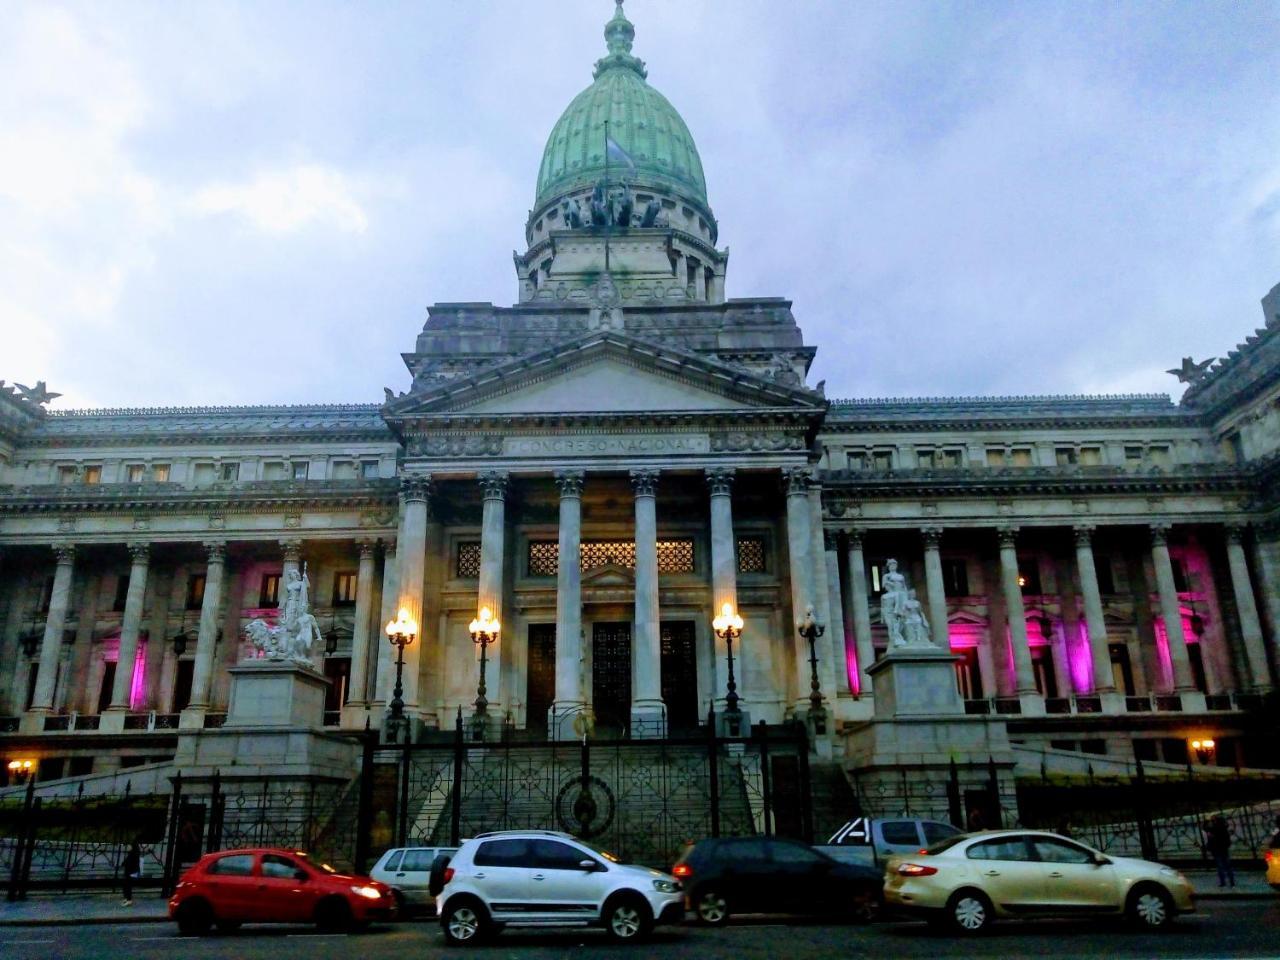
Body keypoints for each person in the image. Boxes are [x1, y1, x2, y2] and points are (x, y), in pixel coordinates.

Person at [1204, 814, 1234, 888]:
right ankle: (1232, 882)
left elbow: (1205, 827)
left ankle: (1223, 882)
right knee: (1228, 865)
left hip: (1216, 849)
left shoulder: (1212, 829)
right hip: (1224, 848)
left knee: (1220, 866)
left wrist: (1207, 820)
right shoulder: (1224, 828)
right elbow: (1228, 840)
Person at [121, 840, 141, 906]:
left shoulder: (133, 854)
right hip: (132, 872)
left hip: (132, 872)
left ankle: (129, 900)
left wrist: (124, 864)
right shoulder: (133, 853)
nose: (127, 847)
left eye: (128, 845)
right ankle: (127, 898)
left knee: (127, 884)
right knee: (126, 884)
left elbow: (129, 863)